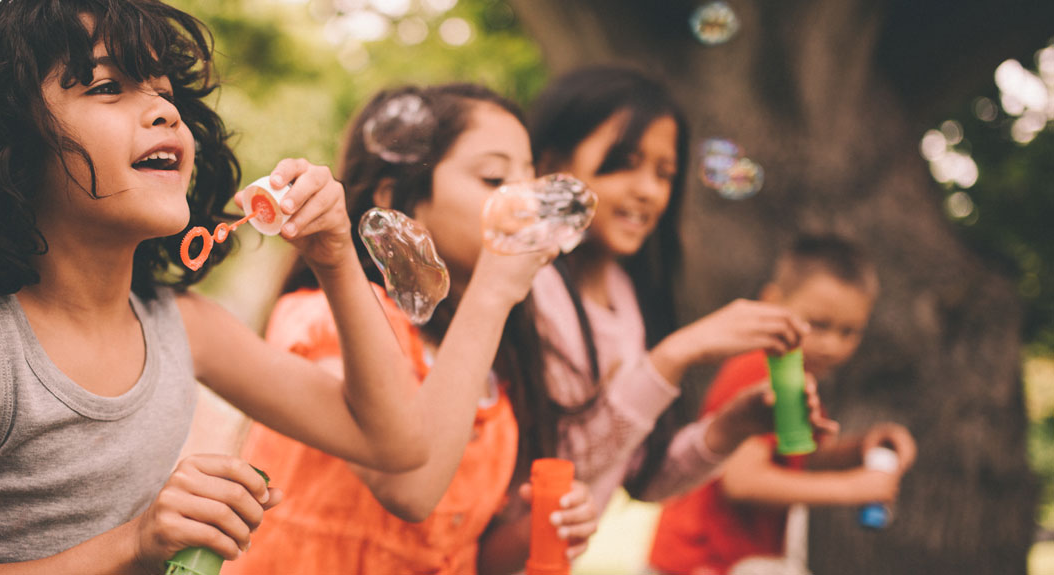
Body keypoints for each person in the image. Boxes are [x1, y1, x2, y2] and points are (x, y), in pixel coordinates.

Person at [0, 1, 429, 573]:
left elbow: (395, 443)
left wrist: (336, 260)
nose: (164, 111)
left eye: (165, 92)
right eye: (108, 86)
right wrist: (133, 543)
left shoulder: (180, 323)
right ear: (7, 142)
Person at [230, 83, 596, 575]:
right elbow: (409, 491)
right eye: (493, 177)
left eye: (531, 179)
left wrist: (540, 525)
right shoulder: (326, 322)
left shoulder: (490, 362)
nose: (527, 203)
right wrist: (491, 295)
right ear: (394, 199)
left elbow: (462, 553)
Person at [479, 67, 828, 574]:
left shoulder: (631, 298)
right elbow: (563, 464)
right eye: (624, 164)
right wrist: (671, 359)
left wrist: (733, 426)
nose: (648, 190)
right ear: (552, 166)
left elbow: (642, 477)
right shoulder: (529, 287)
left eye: (664, 174)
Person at [647, 235, 917, 575]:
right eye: (819, 325)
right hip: (700, 562)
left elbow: (794, 457)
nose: (833, 345)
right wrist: (852, 488)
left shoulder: (796, 375)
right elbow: (743, 480)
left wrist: (859, 451)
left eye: (849, 332)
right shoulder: (758, 369)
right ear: (772, 302)